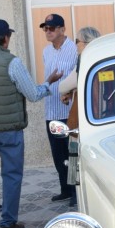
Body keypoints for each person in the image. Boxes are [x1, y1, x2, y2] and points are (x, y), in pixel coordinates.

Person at [0, 18, 61, 228]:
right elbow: (33, 94)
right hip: (8, 129)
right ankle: (8, 222)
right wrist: (49, 83)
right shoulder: (13, 63)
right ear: (5, 39)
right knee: (11, 175)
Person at [57, 26, 101, 209]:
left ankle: (76, 194)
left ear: (85, 43)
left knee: (74, 154)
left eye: (77, 41)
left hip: (83, 118)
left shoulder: (85, 60)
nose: (75, 45)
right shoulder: (103, 57)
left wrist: (67, 90)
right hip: (99, 115)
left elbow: (64, 85)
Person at [39, 13, 79, 203]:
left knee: (72, 153)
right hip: (52, 111)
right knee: (58, 154)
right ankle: (64, 188)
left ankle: (75, 192)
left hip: (69, 112)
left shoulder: (74, 49)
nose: (48, 32)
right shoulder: (46, 51)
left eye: (52, 28)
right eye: (45, 28)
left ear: (62, 29)